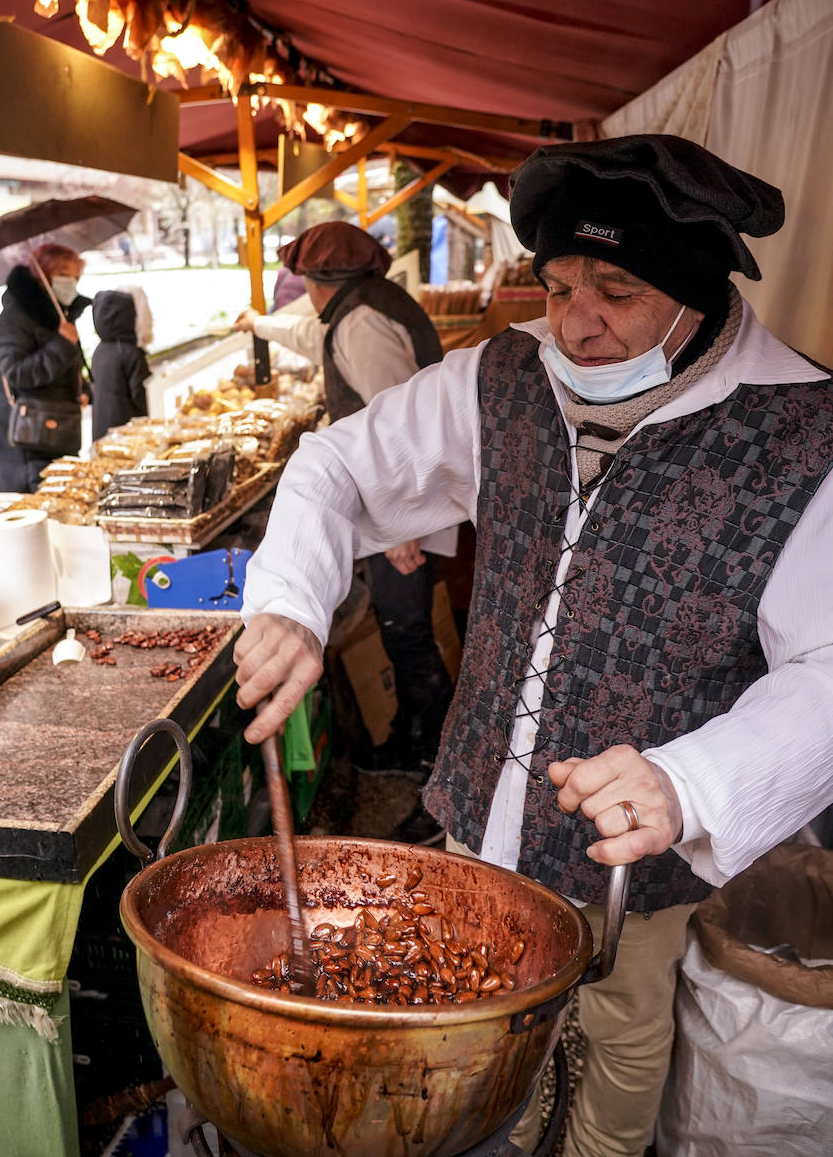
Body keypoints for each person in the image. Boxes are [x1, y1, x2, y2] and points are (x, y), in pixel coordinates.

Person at [232, 136, 833, 1157]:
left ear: (697, 294)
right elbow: (335, 466)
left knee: (618, 1031)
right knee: (472, 1024)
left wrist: (691, 782)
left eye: (616, 289)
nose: (577, 323)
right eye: (557, 287)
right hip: (480, 811)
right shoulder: (500, 378)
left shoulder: (802, 434)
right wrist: (289, 600)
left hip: (631, 860)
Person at [233, 220, 457, 838]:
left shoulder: (360, 323)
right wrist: (257, 324)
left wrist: (403, 531)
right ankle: (416, 745)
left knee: (407, 631)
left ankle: (436, 765)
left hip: (403, 518)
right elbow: (307, 334)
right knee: (399, 627)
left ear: (317, 280)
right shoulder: (359, 309)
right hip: (400, 515)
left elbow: (400, 417)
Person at [0, 242, 90, 493]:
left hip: (56, 434)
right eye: (64, 276)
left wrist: (83, 389)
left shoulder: (56, 315)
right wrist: (63, 344)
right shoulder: (14, 319)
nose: (71, 284)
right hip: (28, 446)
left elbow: (63, 369)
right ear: (43, 274)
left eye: (76, 277)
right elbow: (18, 373)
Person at [90, 288, 152, 441]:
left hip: (101, 429)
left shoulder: (100, 350)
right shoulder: (132, 353)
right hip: (127, 432)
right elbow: (141, 394)